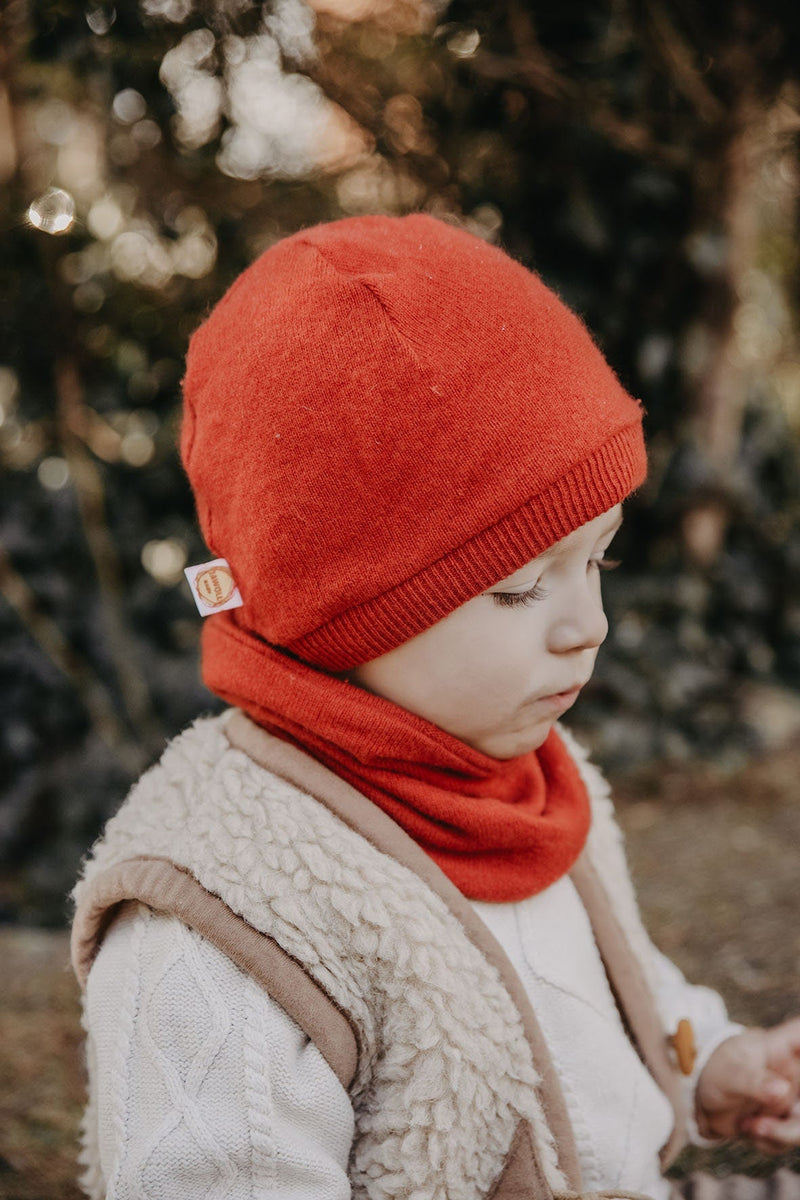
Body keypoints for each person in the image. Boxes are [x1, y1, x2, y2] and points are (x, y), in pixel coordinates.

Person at [71, 213, 800, 1200]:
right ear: (339, 608)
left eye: (599, 559)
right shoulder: (224, 925)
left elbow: (597, 986)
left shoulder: (526, 775)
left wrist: (700, 1057)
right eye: (517, 587)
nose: (587, 622)